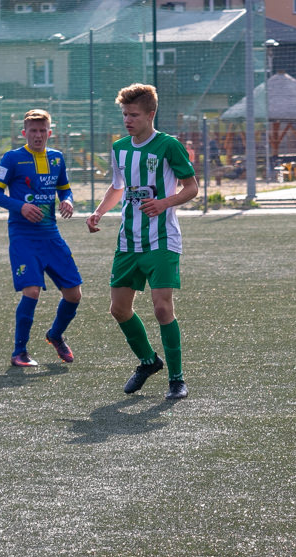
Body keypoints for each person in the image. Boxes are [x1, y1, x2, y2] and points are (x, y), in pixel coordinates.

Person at [85, 83, 198, 400]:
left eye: (133, 114)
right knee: (118, 310)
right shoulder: (120, 148)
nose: (127, 120)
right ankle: (149, 362)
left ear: (151, 114)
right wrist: (98, 213)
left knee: (163, 309)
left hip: (162, 240)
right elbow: (117, 188)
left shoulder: (169, 146)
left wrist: (164, 203)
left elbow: (192, 188)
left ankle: (176, 379)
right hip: (128, 242)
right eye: (124, 114)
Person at [0, 109, 82, 367]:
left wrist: (67, 201)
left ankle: (54, 335)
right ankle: (20, 352)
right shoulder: (12, 158)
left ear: (50, 133)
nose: (38, 135)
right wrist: (21, 206)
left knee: (74, 294)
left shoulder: (57, 158)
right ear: (24, 133)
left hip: (50, 235)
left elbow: (65, 189)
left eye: (43, 131)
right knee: (31, 290)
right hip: (23, 237)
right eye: (33, 131)